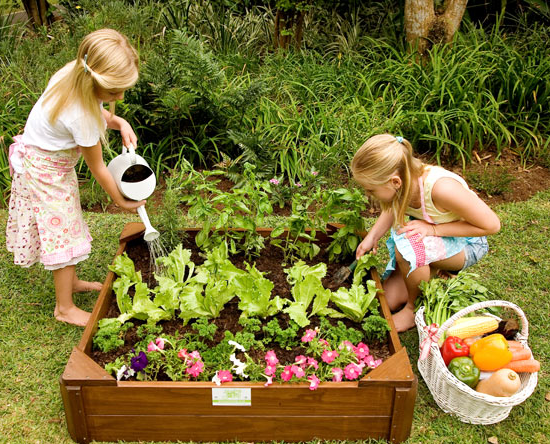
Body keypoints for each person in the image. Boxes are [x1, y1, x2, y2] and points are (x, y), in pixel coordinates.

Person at [6, 29, 146, 327]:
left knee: (66, 226)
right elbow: (99, 168)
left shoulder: (74, 72)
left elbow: (96, 108)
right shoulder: (81, 116)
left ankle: (71, 282)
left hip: (48, 164)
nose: (119, 97)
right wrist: (120, 200)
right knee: (62, 234)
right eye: (113, 92)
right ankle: (64, 308)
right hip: (46, 173)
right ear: (92, 80)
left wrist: (118, 120)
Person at [351, 134, 500, 332]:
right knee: (388, 299)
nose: (368, 194)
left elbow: (491, 225)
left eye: (370, 190)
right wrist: (372, 236)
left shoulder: (442, 189)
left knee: (408, 245)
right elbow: (392, 206)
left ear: (395, 182)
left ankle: (413, 310)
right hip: (438, 236)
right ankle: (431, 271)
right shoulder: (403, 181)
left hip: (468, 243)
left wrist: (433, 230)